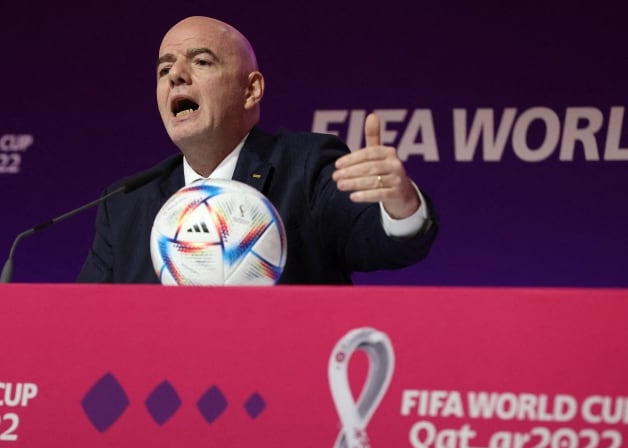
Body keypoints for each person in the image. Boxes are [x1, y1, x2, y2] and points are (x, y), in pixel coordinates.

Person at [78, 15, 437, 284]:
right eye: (164, 69)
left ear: (251, 90)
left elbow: (381, 243)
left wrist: (400, 205)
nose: (176, 75)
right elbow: (86, 319)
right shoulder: (126, 203)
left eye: (201, 62)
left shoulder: (306, 168)